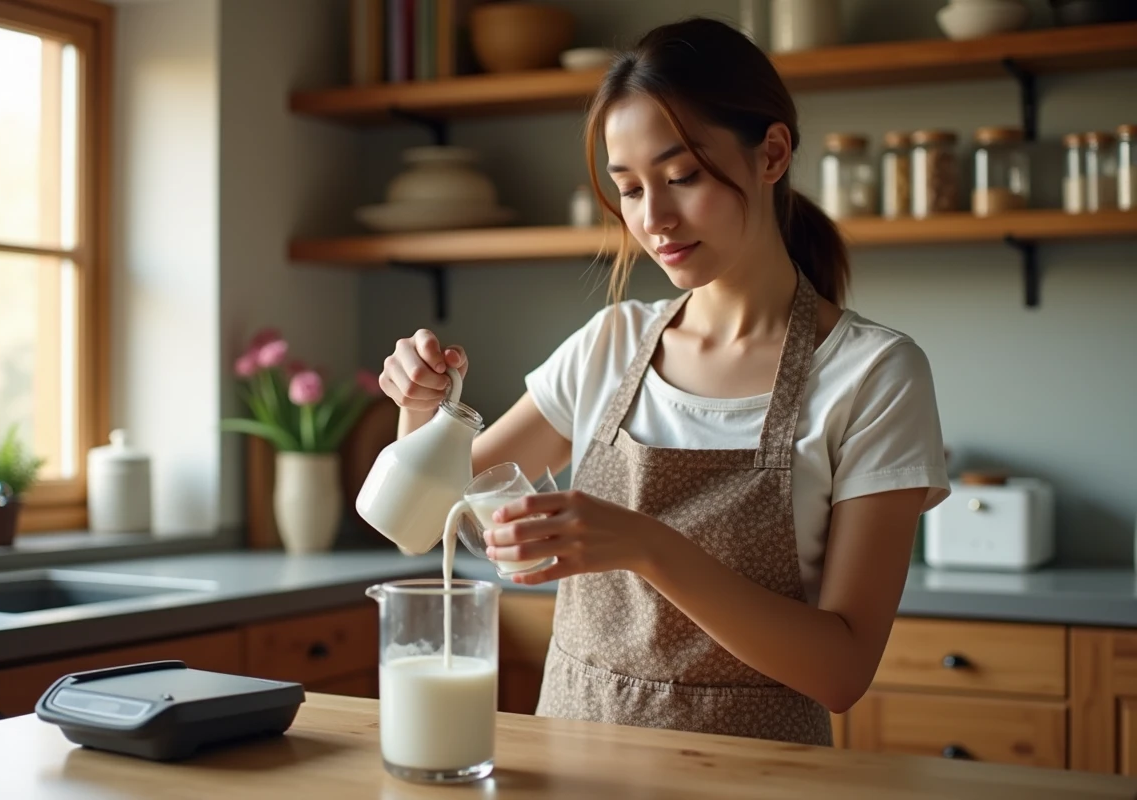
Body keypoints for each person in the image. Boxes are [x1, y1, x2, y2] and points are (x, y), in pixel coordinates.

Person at [376, 16, 949, 746]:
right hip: (576, 768)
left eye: (680, 178)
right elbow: (421, 523)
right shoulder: (608, 348)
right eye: (631, 190)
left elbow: (841, 673)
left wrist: (648, 545)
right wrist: (421, 412)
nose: (655, 220)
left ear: (772, 153)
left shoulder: (873, 374)